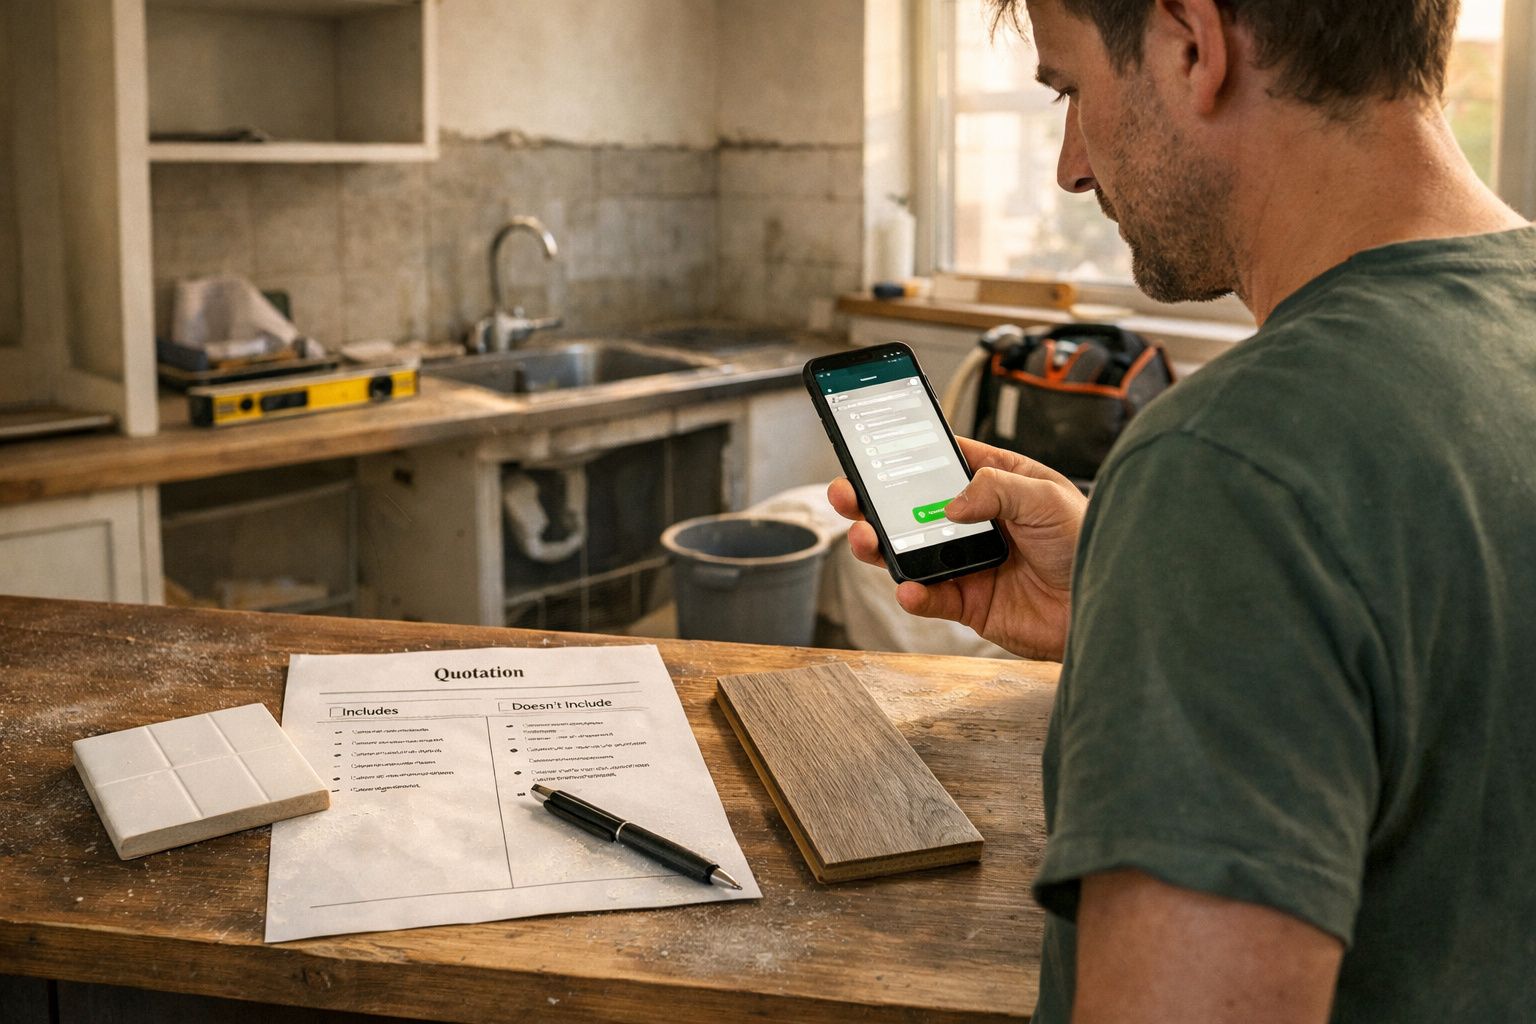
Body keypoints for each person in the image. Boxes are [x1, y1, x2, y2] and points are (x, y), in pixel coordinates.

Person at [829, 0, 1536, 1019]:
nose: (1070, 168)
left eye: (1071, 91)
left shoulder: (1234, 466)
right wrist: (1134, 602)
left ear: (1193, 45)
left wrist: (1197, 551)